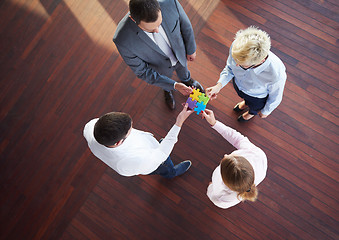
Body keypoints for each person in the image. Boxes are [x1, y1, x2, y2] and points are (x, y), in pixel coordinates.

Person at [113, 0, 204, 110]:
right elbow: (142, 71)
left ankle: (187, 79)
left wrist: (191, 49)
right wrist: (173, 85)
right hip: (159, 69)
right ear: (133, 19)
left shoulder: (169, 2)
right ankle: (167, 90)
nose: (157, 30)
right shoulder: (122, 40)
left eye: (159, 24)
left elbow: (186, 25)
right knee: (165, 80)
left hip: (180, 54)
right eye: (150, 29)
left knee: (184, 71)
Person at [83, 104, 194, 178]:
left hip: (148, 150)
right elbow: (162, 154)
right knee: (164, 166)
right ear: (118, 142)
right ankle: (171, 173)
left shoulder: (90, 127)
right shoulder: (137, 160)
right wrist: (179, 121)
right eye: (130, 129)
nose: (132, 127)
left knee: (162, 146)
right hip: (153, 163)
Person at [206, 26, 286, 122]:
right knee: (244, 98)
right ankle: (245, 103)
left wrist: (266, 111)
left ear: (260, 61)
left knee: (254, 107)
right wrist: (219, 85)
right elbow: (230, 68)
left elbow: (276, 96)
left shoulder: (276, 75)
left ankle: (251, 113)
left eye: (242, 65)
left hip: (257, 97)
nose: (236, 65)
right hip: (239, 85)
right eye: (235, 60)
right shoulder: (237, 47)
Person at [201, 109, 267, 209]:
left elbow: (213, 195)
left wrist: (212, 186)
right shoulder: (257, 155)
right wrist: (214, 123)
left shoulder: (220, 197)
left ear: (224, 179)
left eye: (224, 161)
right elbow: (237, 138)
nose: (226, 155)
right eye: (232, 157)